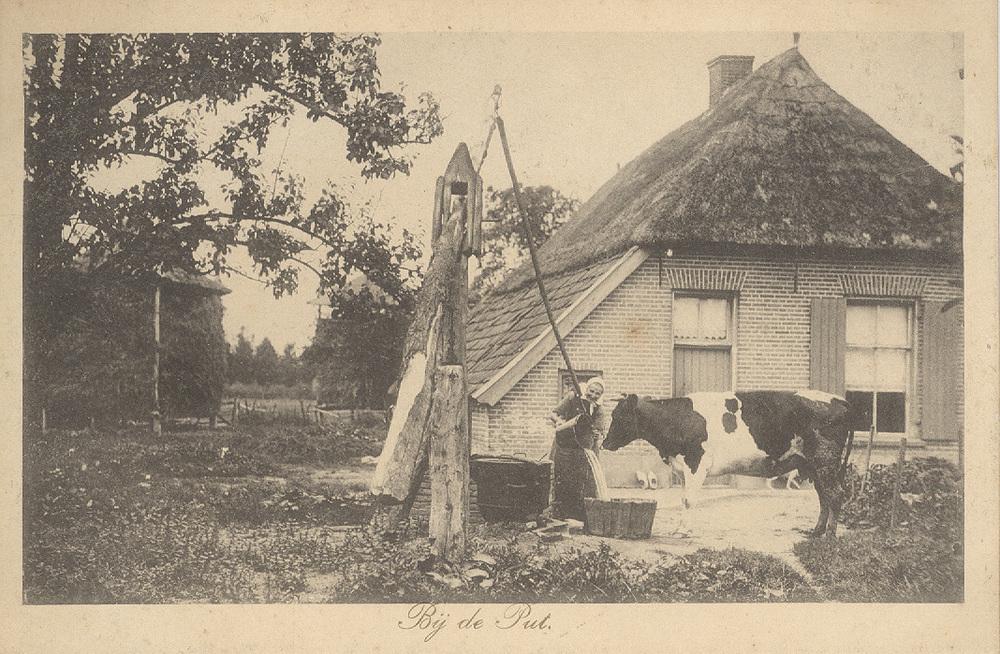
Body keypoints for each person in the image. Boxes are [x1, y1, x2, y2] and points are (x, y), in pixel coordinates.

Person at [548, 377, 606, 521]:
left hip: (583, 448)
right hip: (565, 445)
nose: (593, 395)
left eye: (597, 393)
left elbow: (599, 429)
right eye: (591, 391)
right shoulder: (572, 397)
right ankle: (559, 514)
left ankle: (580, 515)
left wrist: (596, 433)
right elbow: (553, 414)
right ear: (587, 389)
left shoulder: (599, 409)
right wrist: (559, 422)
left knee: (582, 481)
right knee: (561, 478)